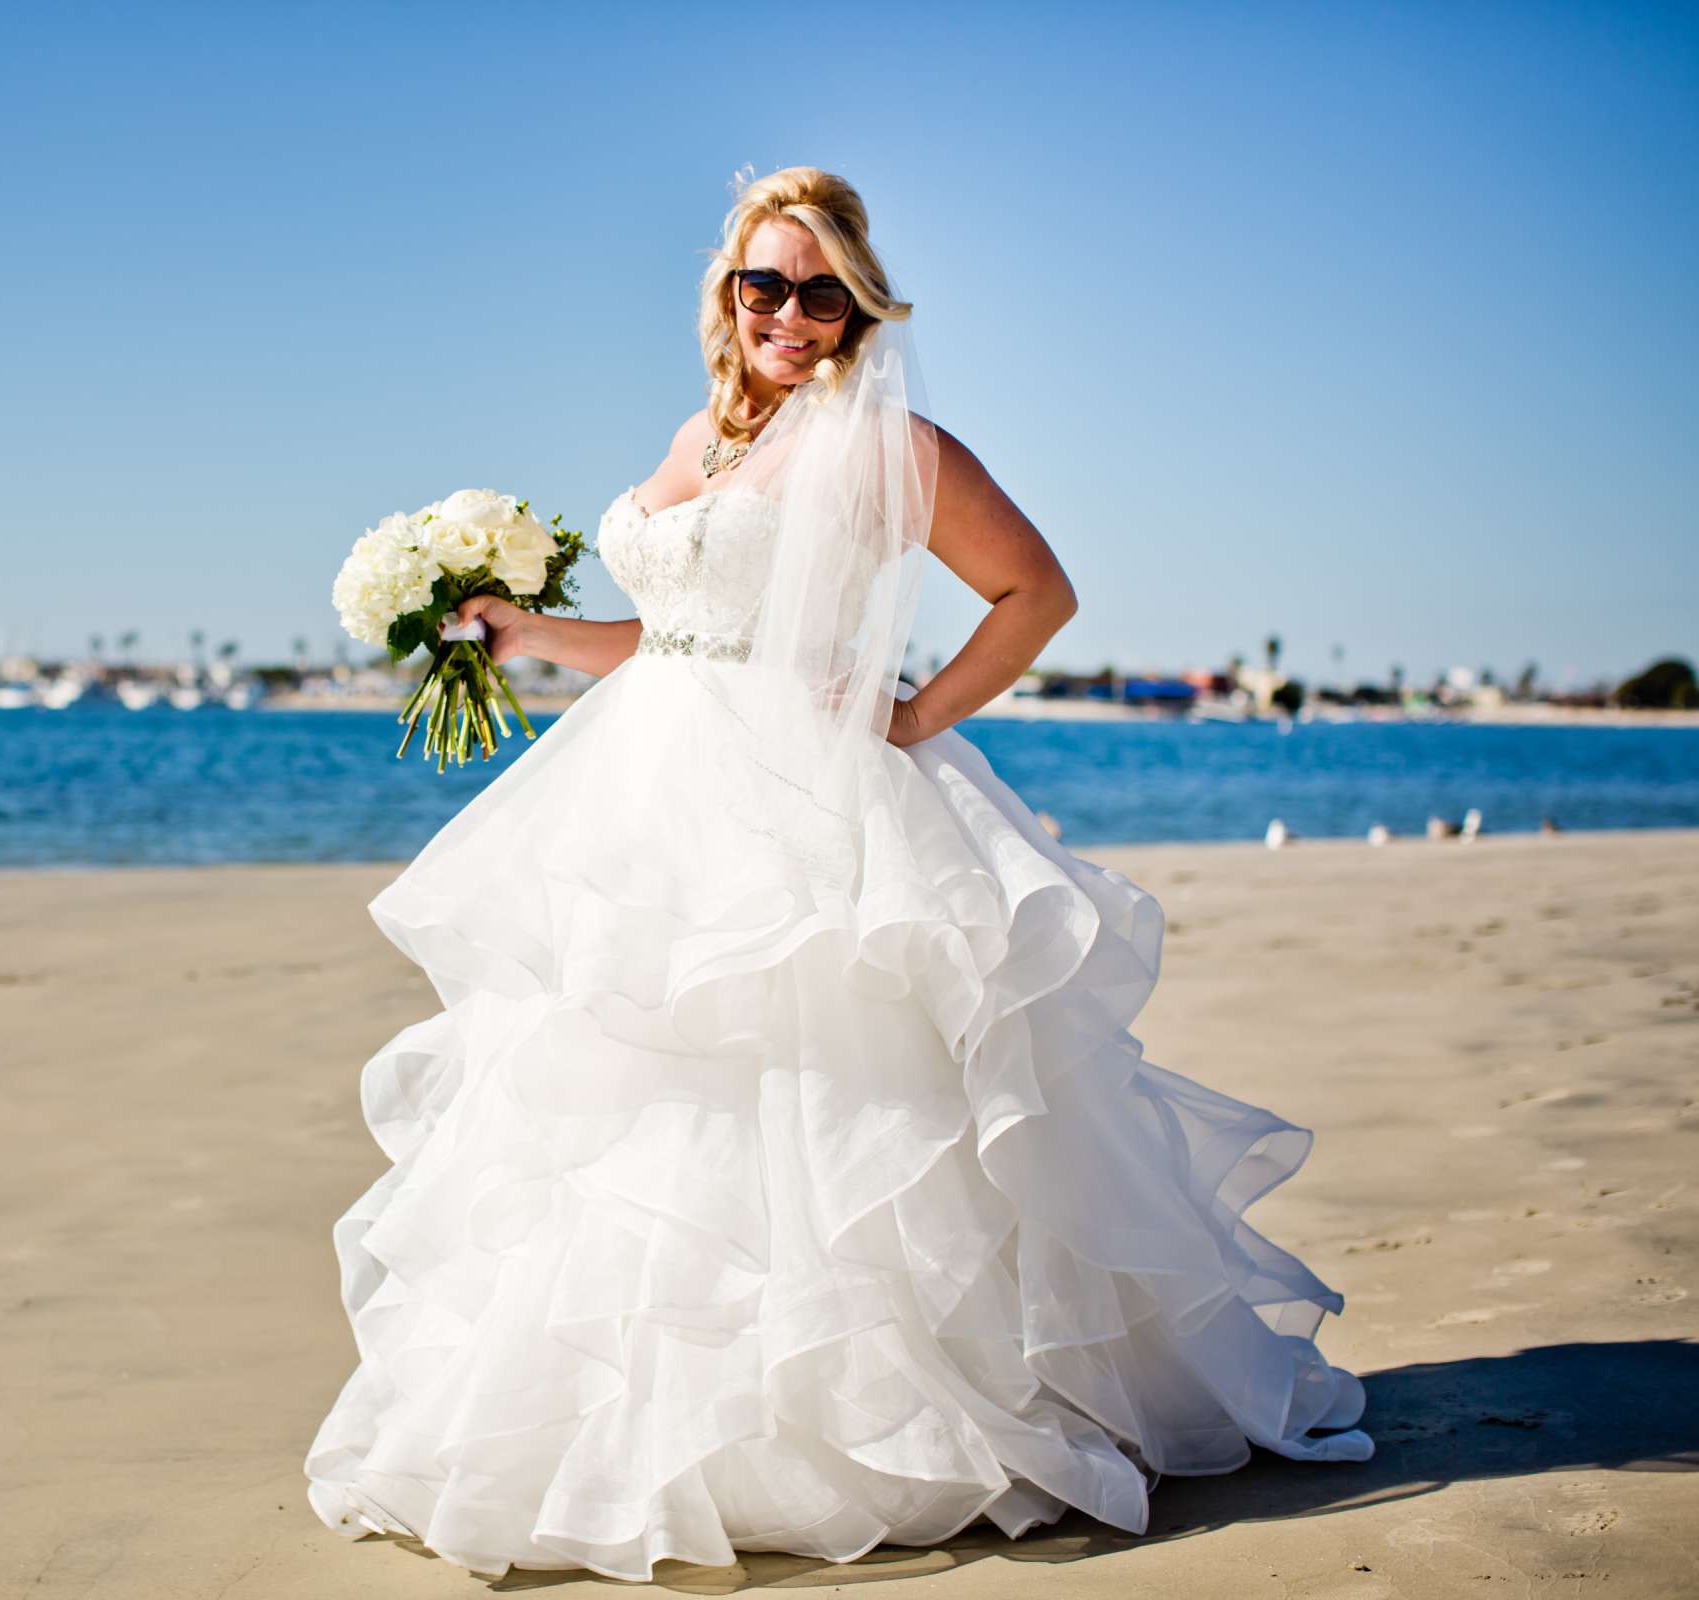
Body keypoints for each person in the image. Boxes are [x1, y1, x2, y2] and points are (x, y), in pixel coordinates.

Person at [303, 165, 1372, 1584]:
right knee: (631, 1111)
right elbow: (675, 636)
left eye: (823, 292)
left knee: (825, 1103)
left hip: (804, 802)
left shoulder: (890, 443)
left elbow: (1035, 592)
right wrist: (523, 631)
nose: (792, 316)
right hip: (639, 794)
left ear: (859, 308)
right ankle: (641, 1434)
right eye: (766, 285)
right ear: (725, 295)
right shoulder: (702, 436)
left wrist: (922, 716)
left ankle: (859, 1430)